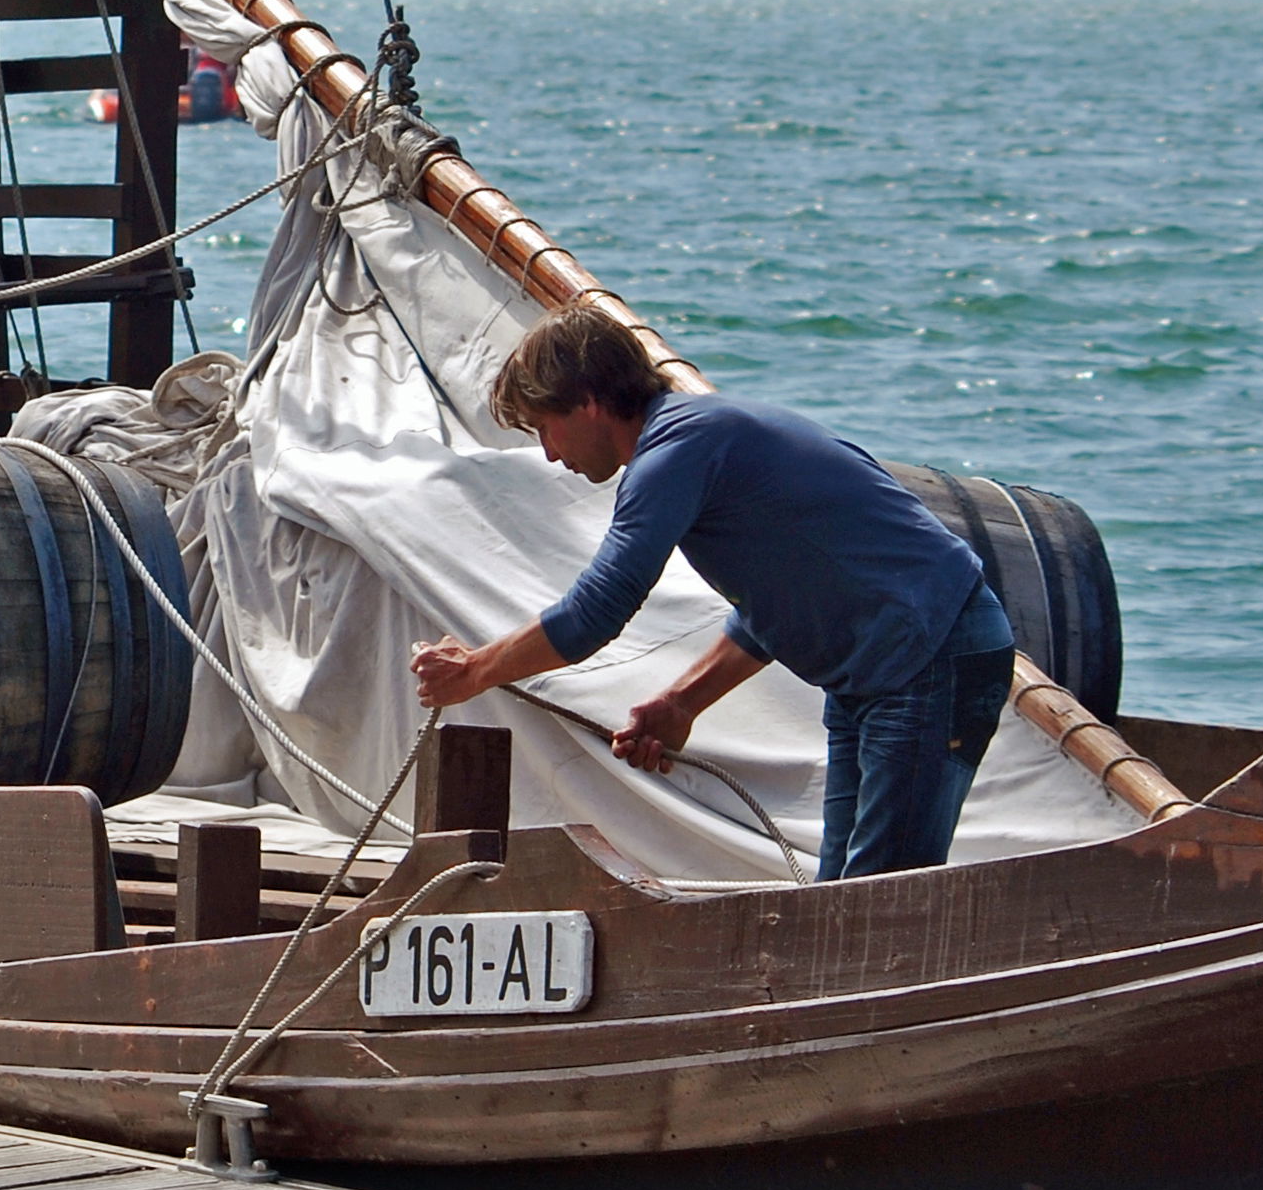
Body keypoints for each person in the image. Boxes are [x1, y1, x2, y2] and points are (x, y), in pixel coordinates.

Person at [409, 300, 1014, 881]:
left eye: (545, 427)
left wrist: (476, 671)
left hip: (933, 653)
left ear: (589, 403)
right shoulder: (697, 438)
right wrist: (682, 703)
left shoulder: (674, 451)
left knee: (880, 897)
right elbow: (777, 598)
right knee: (842, 894)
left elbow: (596, 613)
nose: (548, 452)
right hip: (878, 670)